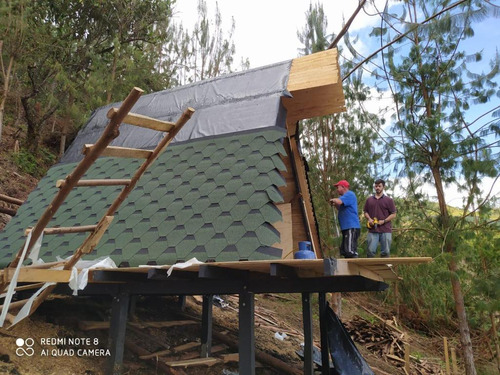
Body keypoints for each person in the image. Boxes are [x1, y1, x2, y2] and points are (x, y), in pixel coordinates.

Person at [363, 179, 397, 258]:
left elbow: (394, 214)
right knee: (370, 252)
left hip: (385, 229)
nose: (377, 188)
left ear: (383, 187)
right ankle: (370, 269)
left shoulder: (389, 200)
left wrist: (384, 221)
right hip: (372, 230)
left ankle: (384, 269)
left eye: (379, 186)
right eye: (376, 186)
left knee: (385, 252)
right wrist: (369, 219)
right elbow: (365, 212)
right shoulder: (369, 200)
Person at [329, 180, 360, 258]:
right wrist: (335, 204)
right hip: (346, 227)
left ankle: (355, 265)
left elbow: (338, 201)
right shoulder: (344, 198)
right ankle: (349, 267)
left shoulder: (349, 194)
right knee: (345, 251)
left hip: (351, 226)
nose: (337, 189)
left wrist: (333, 200)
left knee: (350, 251)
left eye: (338, 187)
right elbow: (340, 207)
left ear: (343, 187)